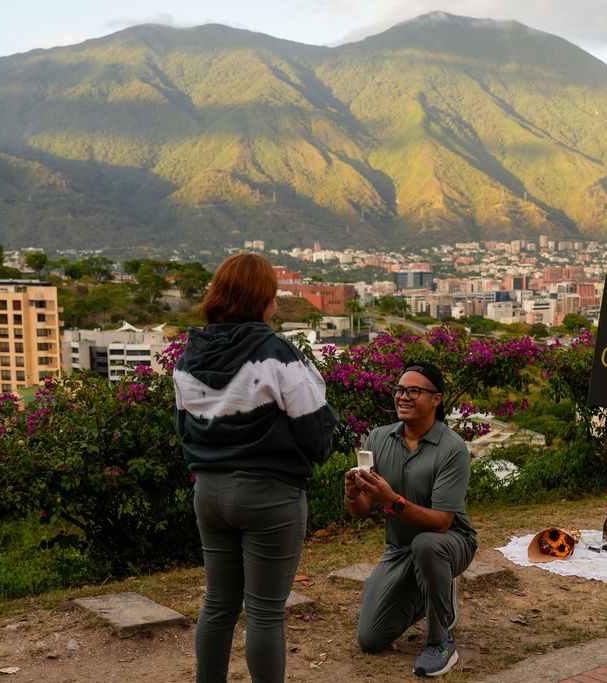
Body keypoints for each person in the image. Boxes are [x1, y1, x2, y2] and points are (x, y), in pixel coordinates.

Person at [173, 253, 339, 683]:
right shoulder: (275, 352)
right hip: (269, 494)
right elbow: (316, 430)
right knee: (265, 613)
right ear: (263, 297)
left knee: (218, 604)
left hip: (208, 492)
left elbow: (184, 428)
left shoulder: (190, 353)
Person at [344, 360, 477, 678]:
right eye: (400, 390)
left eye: (414, 390)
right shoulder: (377, 439)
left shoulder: (452, 449)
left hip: (450, 542)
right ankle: (438, 593)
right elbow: (362, 511)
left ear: (436, 399)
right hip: (400, 549)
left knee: (428, 545)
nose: (403, 396)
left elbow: (442, 523)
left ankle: (440, 640)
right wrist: (352, 494)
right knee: (370, 640)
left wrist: (392, 501)